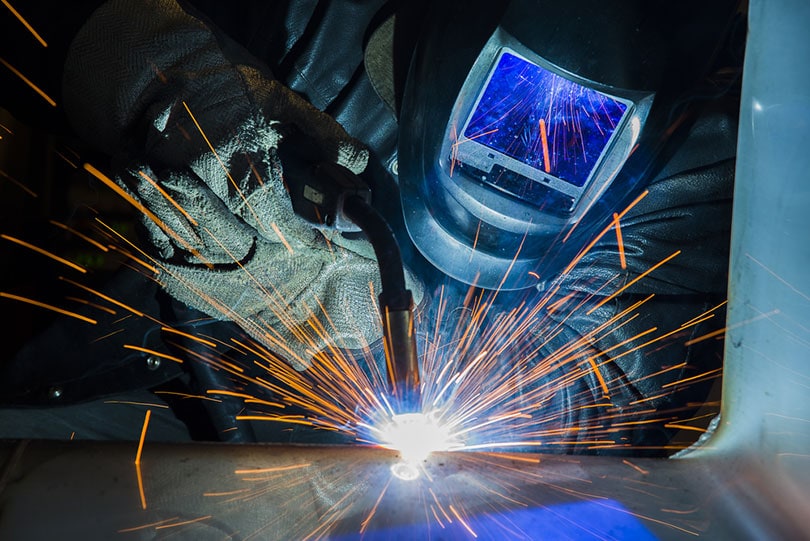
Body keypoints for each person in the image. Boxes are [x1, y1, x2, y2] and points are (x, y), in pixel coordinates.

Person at [0, 0, 745, 454]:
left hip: (355, 472)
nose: (534, 149)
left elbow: (595, 394)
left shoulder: (697, 165)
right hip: (139, 375)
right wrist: (154, 73)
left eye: (582, 129)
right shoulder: (314, 16)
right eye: (515, 108)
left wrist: (359, 317)